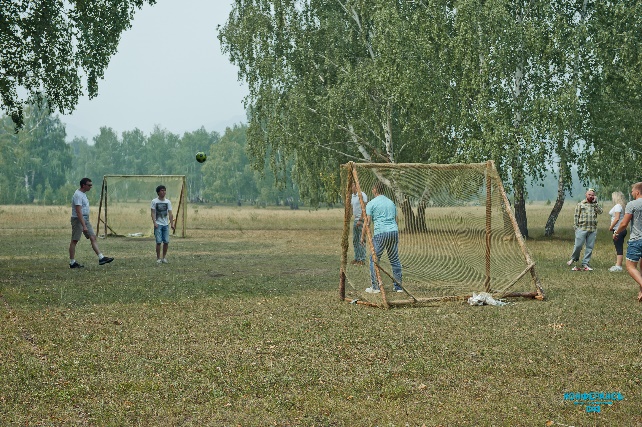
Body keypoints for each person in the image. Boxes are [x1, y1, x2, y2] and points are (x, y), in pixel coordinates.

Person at [361, 181, 403, 293]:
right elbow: (396, 220)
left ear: (375, 190)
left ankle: (375, 287)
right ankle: (398, 287)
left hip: (381, 233)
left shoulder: (371, 203)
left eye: (372, 189)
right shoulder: (391, 202)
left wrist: (362, 236)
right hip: (393, 232)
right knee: (394, 259)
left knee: (373, 259)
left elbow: (368, 222)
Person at [69, 178, 114, 268]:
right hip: (78, 219)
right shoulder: (78, 195)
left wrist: (86, 223)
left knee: (93, 237)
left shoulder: (83, 194)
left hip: (85, 219)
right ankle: (72, 262)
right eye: (89, 185)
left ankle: (101, 258)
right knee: (75, 240)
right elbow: (78, 212)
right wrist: (84, 225)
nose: (91, 187)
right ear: (83, 185)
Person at [612, 182, 642, 302]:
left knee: (630, 267)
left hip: (637, 240)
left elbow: (624, 223)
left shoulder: (632, 204)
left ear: (638, 192)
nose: (631, 193)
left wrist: (616, 232)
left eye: (633, 191)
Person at [567, 188, 603, 271]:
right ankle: (574, 258)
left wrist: (596, 203)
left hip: (592, 229)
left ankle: (585, 263)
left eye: (592, 195)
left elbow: (600, 212)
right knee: (578, 245)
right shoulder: (581, 204)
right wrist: (575, 227)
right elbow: (576, 216)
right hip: (582, 228)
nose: (591, 196)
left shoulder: (595, 204)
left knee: (589, 246)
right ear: (586, 195)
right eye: (589, 194)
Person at [151, 185, 174, 264]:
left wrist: (172, 224)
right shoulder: (154, 201)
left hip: (165, 224)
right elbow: (153, 212)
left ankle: (164, 257)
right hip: (158, 224)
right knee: (158, 242)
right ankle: (158, 258)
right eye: (162, 190)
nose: (163, 192)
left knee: (166, 241)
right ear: (158, 192)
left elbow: (170, 213)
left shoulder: (168, 202)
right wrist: (154, 222)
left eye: (164, 190)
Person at [608, 191, 627, 272]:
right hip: (620, 230)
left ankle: (618, 266)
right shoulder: (621, 206)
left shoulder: (617, 206)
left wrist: (611, 227)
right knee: (618, 247)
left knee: (619, 248)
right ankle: (618, 264)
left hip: (618, 229)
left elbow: (617, 218)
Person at [350, 182, 368, 266]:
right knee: (355, 240)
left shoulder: (361, 194)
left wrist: (361, 219)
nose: (350, 187)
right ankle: (357, 258)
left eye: (352, 186)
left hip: (361, 220)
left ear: (355, 186)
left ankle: (362, 259)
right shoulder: (352, 197)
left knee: (362, 239)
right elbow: (352, 208)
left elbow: (364, 207)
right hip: (355, 220)